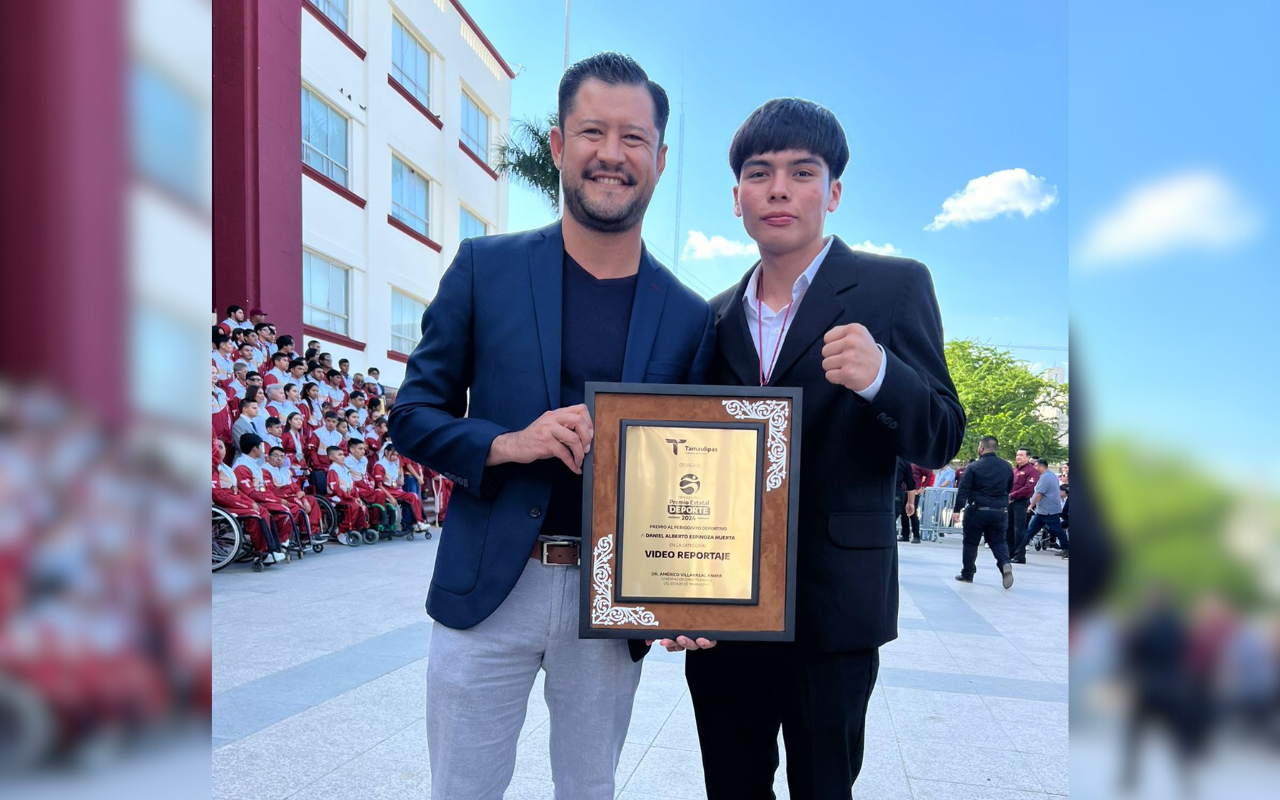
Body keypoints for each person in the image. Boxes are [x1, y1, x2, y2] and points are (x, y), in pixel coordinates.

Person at [387, 52, 715, 799]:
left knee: (589, 789)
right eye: (592, 131)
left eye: (633, 138)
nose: (611, 153)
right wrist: (506, 442)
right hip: (489, 588)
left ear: (659, 161)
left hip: (613, 598)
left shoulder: (691, 317)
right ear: (558, 145)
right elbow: (412, 416)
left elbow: (695, 466)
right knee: (462, 788)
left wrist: (696, 594)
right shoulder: (483, 269)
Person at [683, 97, 964, 800]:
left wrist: (883, 379)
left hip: (835, 605)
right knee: (731, 785)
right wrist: (673, 593)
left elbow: (942, 430)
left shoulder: (894, 288)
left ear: (833, 191)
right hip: (727, 611)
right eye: (759, 172)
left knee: (825, 786)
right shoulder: (709, 316)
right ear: (737, 197)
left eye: (802, 172)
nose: (779, 188)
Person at [952, 435, 1015, 587]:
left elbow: (964, 489)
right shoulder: (1006, 466)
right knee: (999, 541)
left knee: (970, 543)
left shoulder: (973, 467)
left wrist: (957, 509)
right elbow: (1009, 487)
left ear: (981, 448)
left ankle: (967, 573)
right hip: (999, 511)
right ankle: (1004, 564)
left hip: (977, 510)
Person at [232, 434, 292, 559]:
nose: (263, 450)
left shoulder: (253, 464)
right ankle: (263, 551)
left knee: (286, 509)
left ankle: (275, 545)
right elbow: (251, 493)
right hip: (252, 500)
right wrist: (276, 500)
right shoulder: (242, 467)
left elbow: (263, 489)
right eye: (261, 447)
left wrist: (275, 499)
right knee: (280, 510)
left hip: (261, 497)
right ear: (255, 449)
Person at [372, 443, 429, 533]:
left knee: (414, 496)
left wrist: (400, 480)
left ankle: (418, 522)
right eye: (393, 454)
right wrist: (390, 497)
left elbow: (395, 479)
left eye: (396, 455)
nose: (395, 457)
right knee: (410, 497)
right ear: (386, 452)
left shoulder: (394, 464)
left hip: (395, 490)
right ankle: (411, 523)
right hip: (386, 491)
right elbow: (379, 485)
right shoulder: (379, 465)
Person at [1017, 458, 1067, 558]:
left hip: (1048, 511)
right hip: (1043, 510)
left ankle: (1067, 548)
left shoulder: (1046, 477)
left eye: (1035, 466)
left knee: (1057, 530)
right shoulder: (1051, 475)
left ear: (1040, 466)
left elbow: (1039, 494)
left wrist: (1031, 505)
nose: (1034, 468)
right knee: (1031, 530)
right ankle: (1018, 551)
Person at [325, 445, 372, 544]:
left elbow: (352, 485)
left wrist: (357, 497)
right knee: (354, 506)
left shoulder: (345, 469)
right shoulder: (333, 469)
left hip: (348, 496)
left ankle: (356, 529)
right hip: (336, 497)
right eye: (340, 455)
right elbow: (336, 489)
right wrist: (351, 498)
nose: (343, 457)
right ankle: (342, 531)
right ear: (331, 457)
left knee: (363, 506)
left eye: (343, 454)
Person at [1008, 447, 1038, 563]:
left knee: (1019, 529)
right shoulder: (1014, 470)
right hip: (1010, 502)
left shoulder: (1031, 471)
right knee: (1009, 528)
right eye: (1017, 455)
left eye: (1021, 455)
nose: (1018, 457)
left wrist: (1012, 496)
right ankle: (1010, 553)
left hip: (1021, 502)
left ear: (1028, 457)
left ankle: (1019, 555)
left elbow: (1028, 488)